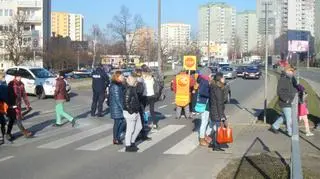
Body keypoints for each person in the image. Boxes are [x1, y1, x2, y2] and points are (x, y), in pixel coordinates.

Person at [270, 66, 297, 137]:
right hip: (285, 102)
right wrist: (286, 99)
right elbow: (279, 91)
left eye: (293, 71)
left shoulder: (291, 79)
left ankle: (274, 126)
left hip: (291, 100)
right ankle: (290, 132)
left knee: (285, 116)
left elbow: (294, 87)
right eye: (290, 71)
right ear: (286, 71)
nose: (292, 72)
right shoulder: (282, 79)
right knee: (289, 118)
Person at [6, 71, 32, 141]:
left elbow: (24, 95)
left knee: (14, 120)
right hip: (12, 105)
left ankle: (8, 133)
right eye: (18, 77)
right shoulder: (11, 84)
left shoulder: (21, 84)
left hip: (18, 105)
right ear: (15, 77)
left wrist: (27, 104)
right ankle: (25, 133)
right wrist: (10, 105)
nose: (20, 78)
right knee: (15, 120)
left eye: (20, 77)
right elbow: (8, 95)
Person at [123, 75, 142, 152]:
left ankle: (132, 141)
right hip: (130, 112)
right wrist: (131, 111)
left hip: (136, 110)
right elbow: (126, 102)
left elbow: (141, 89)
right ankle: (128, 145)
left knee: (139, 127)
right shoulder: (128, 90)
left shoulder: (133, 88)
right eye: (134, 81)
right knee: (130, 130)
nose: (136, 82)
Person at [209, 72, 227, 151]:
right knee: (218, 129)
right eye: (223, 78)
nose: (224, 79)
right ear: (220, 79)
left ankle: (213, 143)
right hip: (217, 112)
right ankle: (216, 146)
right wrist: (222, 116)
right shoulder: (218, 89)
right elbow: (219, 104)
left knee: (214, 128)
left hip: (213, 110)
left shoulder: (213, 86)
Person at [134, 69, 151, 141]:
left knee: (140, 119)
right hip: (139, 102)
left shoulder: (141, 81)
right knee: (140, 119)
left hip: (140, 102)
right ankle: (140, 135)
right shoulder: (138, 82)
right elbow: (139, 93)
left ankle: (140, 134)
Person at [197, 67, 213, 146]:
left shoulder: (204, 80)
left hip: (204, 103)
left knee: (207, 121)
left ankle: (204, 135)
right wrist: (210, 94)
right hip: (204, 104)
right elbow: (203, 92)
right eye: (210, 74)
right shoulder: (204, 81)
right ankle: (201, 139)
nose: (211, 75)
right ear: (207, 74)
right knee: (204, 122)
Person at [109, 71, 126, 145]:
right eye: (121, 76)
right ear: (117, 77)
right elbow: (117, 99)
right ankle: (115, 138)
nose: (123, 77)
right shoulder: (115, 86)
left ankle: (117, 137)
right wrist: (123, 109)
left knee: (122, 122)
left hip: (118, 107)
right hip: (116, 108)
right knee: (118, 123)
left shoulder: (120, 85)